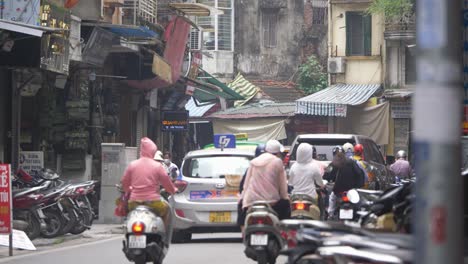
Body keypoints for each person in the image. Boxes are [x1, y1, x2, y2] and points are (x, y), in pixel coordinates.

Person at [121, 137, 178, 225]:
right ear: (152, 151)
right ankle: (166, 238)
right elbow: (167, 183)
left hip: (133, 202)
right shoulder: (157, 166)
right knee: (168, 210)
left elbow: (124, 183)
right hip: (153, 202)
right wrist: (173, 190)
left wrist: (129, 190)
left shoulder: (133, 165)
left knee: (128, 216)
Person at [240, 140, 290, 228]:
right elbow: (282, 186)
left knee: (241, 212)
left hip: (251, 201)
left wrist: (243, 198)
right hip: (271, 201)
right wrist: (285, 198)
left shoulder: (254, 161)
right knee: (286, 206)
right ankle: (283, 232)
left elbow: (246, 184)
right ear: (278, 152)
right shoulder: (277, 162)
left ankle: (244, 231)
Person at [324, 146, 365, 217]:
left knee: (332, 199)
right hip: (352, 191)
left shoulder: (333, 164)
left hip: (339, 191)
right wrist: (358, 186)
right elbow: (360, 174)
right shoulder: (352, 162)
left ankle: (330, 215)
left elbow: (326, 176)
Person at [237, 143, 266, 228]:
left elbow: (242, 187)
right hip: (270, 201)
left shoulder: (251, 166)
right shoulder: (275, 165)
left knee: (241, 206)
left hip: (253, 200)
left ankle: (243, 231)